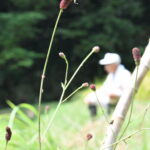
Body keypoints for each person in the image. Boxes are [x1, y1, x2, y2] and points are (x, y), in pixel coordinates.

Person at [84, 53, 131, 117]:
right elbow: (104, 88)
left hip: (120, 100)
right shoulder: (111, 75)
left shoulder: (125, 74)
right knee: (90, 98)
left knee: (111, 96)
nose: (105, 67)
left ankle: (112, 114)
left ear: (114, 64)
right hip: (108, 96)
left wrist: (113, 94)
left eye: (107, 64)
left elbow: (128, 92)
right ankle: (94, 118)